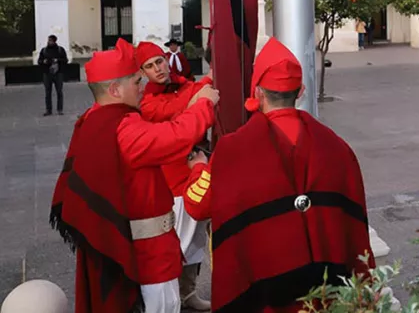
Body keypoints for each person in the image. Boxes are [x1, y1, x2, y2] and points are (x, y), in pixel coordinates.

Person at [182, 38, 375, 312]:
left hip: (264, 293)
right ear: (301, 91)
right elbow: (353, 219)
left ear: (258, 93)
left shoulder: (232, 149)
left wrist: (199, 167)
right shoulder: (337, 147)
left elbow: (197, 206)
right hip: (328, 292)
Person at [50, 39, 217, 313]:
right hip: (148, 251)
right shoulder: (123, 127)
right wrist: (204, 105)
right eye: (136, 82)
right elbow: (174, 136)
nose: (141, 88)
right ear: (115, 89)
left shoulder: (92, 119)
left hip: (128, 243)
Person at [135, 41, 217, 310]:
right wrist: (202, 92)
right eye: (149, 66)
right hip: (173, 184)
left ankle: (187, 294)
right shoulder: (146, 102)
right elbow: (180, 109)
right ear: (142, 72)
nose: (157, 68)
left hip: (197, 172)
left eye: (159, 61)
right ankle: (172, 302)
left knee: (195, 243)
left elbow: (196, 95)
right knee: (178, 244)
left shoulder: (183, 84)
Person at [38, 34, 68, 116]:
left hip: (58, 74)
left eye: (50, 40)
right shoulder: (44, 50)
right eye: (48, 40)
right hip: (47, 74)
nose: (49, 42)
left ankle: (60, 109)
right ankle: (48, 109)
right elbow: (39, 61)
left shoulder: (60, 50)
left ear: (54, 41)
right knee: (47, 93)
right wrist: (43, 61)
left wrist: (57, 60)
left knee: (59, 92)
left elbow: (65, 60)